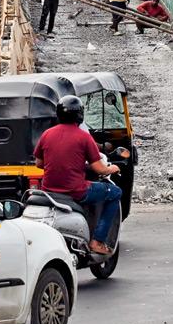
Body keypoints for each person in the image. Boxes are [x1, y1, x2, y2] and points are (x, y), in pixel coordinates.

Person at [33, 95, 121, 255]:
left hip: (50, 192)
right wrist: (112, 168)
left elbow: (39, 163)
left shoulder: (47, 134)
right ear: (80, 114)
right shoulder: (84, 137)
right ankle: (97, 241)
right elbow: (100, 169)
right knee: (115, 193)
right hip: (76, 191)